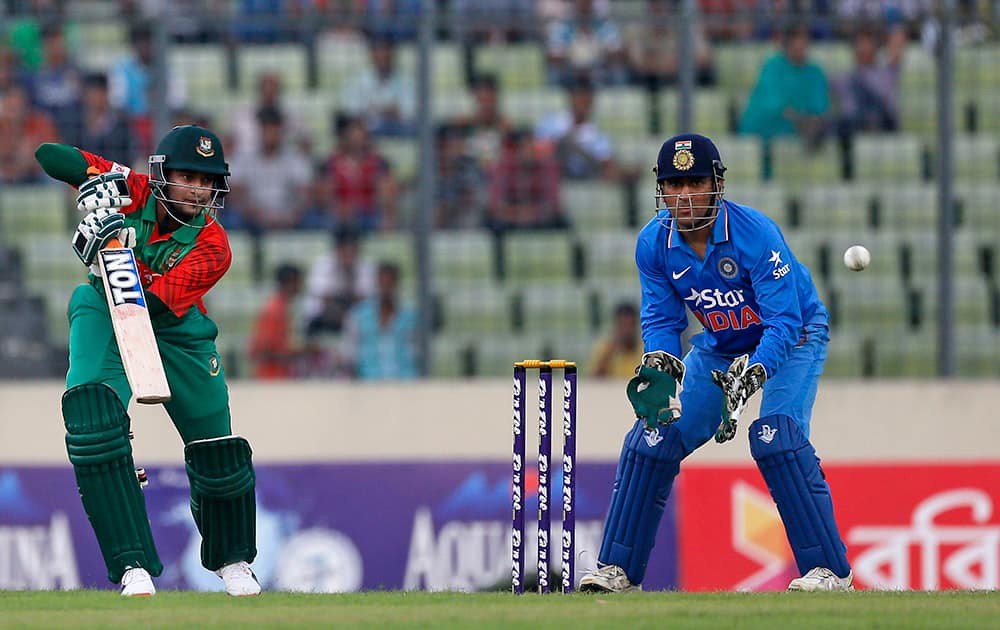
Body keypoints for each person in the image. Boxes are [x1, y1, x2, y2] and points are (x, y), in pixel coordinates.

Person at [579, 133, 853, 593]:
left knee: (775, 438)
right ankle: (617, 570)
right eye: (673, 184)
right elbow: (662, 319)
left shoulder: (756, 234)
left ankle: (829, 572)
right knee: (653, 435)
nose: (684, 196)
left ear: (716, 184)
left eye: (695, 182)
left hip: (795, 336)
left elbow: (784, 322)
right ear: (661, 189)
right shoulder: (654, 244)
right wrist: (662, 363)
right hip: (721, 344)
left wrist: (755, 374)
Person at [34, 124, 261, 597]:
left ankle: (233, 560)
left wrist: (112, 253)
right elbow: (49, 154)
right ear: (162, 173)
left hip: (176, 330)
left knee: (217, 447)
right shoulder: (132, 189)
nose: (198, 190)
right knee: (93, 419)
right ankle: (133, 565)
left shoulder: (213, 245)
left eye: (207, 181)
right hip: (104, 311)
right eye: (188, 176)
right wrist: (92, 182)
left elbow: (150, 308)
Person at [738, 23, 830, 150]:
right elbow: (775, 106)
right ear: (787, 43)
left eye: (804, 39)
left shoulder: (815, 73)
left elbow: (820, 107)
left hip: (799, 135)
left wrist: (813, 121)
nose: (801, 44)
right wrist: (802, 120)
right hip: (764, 131)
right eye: (796, 39)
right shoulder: (772, 67)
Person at [344, 261, 418, 379]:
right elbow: (351, 352)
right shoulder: (358, 315)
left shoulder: (410, 316)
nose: (386, 288)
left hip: (404, 380)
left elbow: (416, 351)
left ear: (397, 284)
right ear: (376, 283)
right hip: (369, 380)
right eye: (382, 282)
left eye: (390, 282)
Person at [249, 262, 305, 379]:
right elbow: (262, 352)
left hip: (279, 377)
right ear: (290, 282)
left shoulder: (282, 308)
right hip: (271, 378)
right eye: (298, 282)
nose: (301, 286)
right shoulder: (274, 310)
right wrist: (296, 354)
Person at [588, 302, 641, 379]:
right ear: (616, 326)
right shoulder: (605, 348)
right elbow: (593, 380)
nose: (627, 331)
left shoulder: (646, 349)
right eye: (623, 326)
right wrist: (608, 355)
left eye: (631, 325)